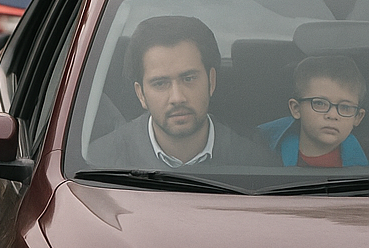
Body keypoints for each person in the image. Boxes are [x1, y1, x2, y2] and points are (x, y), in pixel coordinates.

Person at [89, 15, 270, 168]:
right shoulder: (97, 163)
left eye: (189, 79)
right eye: (160, 83)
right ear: (141, 94)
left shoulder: (257, 165)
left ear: (211, 81)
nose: (177, 98)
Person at [257, 55, 368, 167]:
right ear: (296, 108)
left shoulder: (362, 171)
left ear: (358, 117)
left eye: (345, 107)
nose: (332, 115)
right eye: (320, 103)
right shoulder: (262, 153)